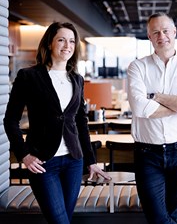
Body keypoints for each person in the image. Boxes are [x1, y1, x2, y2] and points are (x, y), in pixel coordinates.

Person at [4, 22, 111, 224]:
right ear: (50, 43)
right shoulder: (29, 76)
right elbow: (10, 120)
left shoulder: (77, 80)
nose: (67, 45)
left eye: (71, 41)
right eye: (61, 40)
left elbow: (81, 123)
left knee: (64, 218)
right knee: (59, 221)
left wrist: (91, 161)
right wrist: (24, 154)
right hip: (43, 163)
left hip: (73, 162)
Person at [127, 12, 177, 224]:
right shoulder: (137, 67)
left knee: (175, 215)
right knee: (157, 217)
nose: (161, 35)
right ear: (149, 37)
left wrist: (156, 97)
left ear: (174, 32)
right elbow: (140, 108)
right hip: (147, 152)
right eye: (155, 32)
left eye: (165, 30)